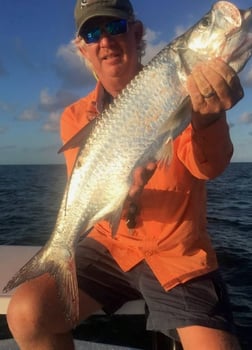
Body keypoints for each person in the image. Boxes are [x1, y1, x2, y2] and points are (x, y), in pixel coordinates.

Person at [6, 1, 244, 349]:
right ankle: (56, 255)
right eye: (92, 32)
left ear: (137, 33)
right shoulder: (73, 117)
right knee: (27, 313)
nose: (104, 40)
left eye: (115, 27)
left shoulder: (182, 85)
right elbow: (90, 191)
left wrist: (208, 118)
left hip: (174, 250)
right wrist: (123, 197)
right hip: (107, 243)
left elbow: (207, 167)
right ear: (81, 47)